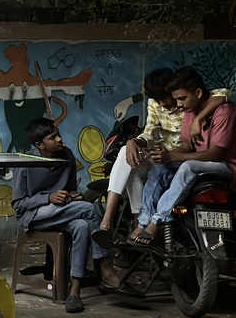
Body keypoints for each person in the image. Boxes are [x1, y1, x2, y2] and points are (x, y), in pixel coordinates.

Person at [128, 67, 236, 245]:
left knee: (188, 166)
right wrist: (166, 156)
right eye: (177, 99)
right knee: (158, 167)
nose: (178, 104)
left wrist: (172, 158)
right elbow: (187, 145)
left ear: (198, 92)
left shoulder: (225, 112)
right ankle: (143, 222)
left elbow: (214, 154)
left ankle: (157, 222)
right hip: (203, 163)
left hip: (230, 166)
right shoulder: (190, 111)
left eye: (182, 98)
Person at [95, 68, 229, 237]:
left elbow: (224, 93)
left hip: (183, 157)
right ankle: (111, 221)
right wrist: (133, 142)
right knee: (127, 155)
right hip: (162, 155)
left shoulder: (188, 101)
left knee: (155, 169)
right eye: (157, 100)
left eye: (164, 98)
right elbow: (149, 133)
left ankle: (144, 223)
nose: (163, 103)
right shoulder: (156, 104)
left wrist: (198, 118)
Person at [12, 118, 121, 313]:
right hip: (34, 215)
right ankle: (105, 265)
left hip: (62, 212)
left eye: (58, 133)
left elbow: (70, 189)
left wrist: (72, 195)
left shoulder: (67, 155)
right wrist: (48, 198)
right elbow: (18, 204)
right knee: (89, 209)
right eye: (52, 137)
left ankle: (74, 291)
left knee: (81, 225)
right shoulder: (26, 162)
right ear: (39, 145)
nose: (60, 139)